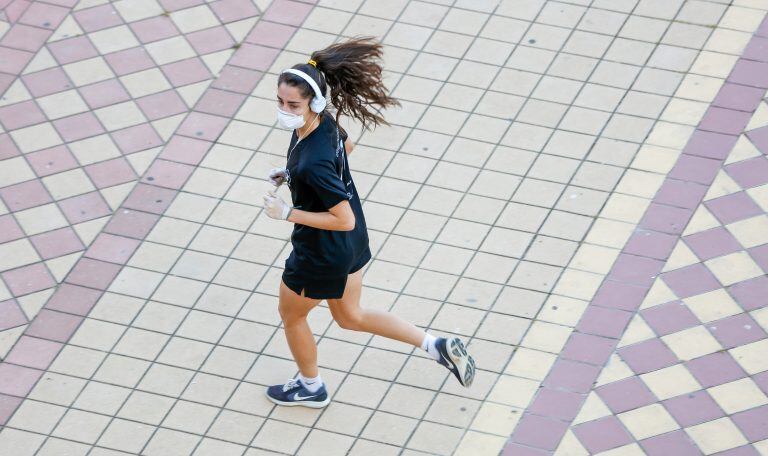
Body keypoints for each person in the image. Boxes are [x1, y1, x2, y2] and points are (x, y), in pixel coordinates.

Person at [261, 37, 476, 408]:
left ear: (312, 102)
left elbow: (340, 218)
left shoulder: (312, 158)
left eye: (292, 104)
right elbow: (345, 150)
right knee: (350, 316)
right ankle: (433, 345)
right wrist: (292, 175)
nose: (285, 109)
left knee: (291, 316)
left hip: (321, 252)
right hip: (352, 245)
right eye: (280, 101)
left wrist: (288, 213)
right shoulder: (323, 125)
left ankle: (311, 387)